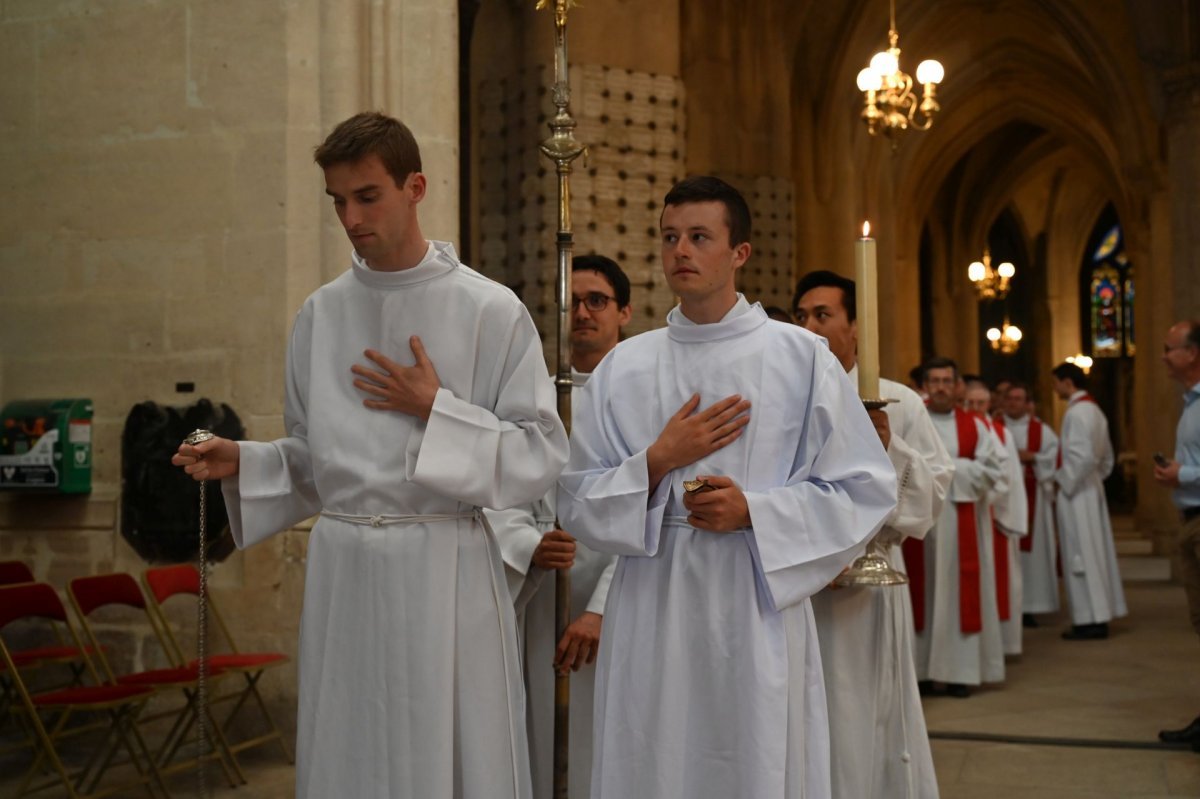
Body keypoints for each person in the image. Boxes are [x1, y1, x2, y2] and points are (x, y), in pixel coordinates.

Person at [173, 112, 569, 799]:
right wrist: (248, 460)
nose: (351, 217)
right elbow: (314, 457)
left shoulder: (489, 309)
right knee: (351, 743)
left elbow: (539, 455)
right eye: (338, 201)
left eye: (367, 196)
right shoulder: (319, 315)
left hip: (444, 567)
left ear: (415, 186)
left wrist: (436, 409)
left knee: (448, 751)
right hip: (348, 570)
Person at [557, 176, 897, 798]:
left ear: (739, 252)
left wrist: (755, 512)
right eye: (669, 238)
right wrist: (657, 462)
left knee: (750, 756)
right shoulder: (626, 367)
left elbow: (864, 488)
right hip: (652, 602)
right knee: (654, 753)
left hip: (751, 601)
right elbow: (576, 497)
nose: (679, 251)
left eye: (698, 237)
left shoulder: (801, 357)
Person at [793, 270, 953, 799]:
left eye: (823, 314)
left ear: (857, 326)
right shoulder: (787, 391)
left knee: (863, 711)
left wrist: (890, 448)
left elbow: (932, 499)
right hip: (799, 586)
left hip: (869, 583)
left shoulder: (897, 401)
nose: (810, 326)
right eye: (801, 315)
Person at [487, 254, 630, 799]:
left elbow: (655, 507)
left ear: (625, 312)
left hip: (620, 590)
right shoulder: (533, 397)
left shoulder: (641, 395)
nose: (582, 313)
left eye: (597, 301)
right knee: (544, 736)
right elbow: (501, 489)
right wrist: (528, 543)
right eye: (573, 302)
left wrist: (600, 609)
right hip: (544, 588)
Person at [911, 359, 1006, 698]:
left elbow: (993, 470)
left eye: (946, 381)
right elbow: (898, 459)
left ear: (957, 386)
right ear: (925, 385)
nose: (940, 387)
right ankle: (920, 671)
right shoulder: (911, 418)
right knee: (922, 593)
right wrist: (950, 469)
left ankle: (958, 672)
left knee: (956, 592)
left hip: (960, 520)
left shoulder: (976, 425)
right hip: (919, 522)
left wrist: (941, 470)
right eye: (934, 381)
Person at [1051, 361, 1127, 640]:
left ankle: (1089, 620)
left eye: (1056, 383)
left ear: (1067, 383)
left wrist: (1064, 481)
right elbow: (1107, 457)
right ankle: (1097, 615)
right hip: (1090, 487)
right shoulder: (1095, 410)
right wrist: (1097, 478)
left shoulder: (1078, 412)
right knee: (1094, 553)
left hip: (1077, 492)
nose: (1055, 389)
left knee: (1079, 554)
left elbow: (1081, 457)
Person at [1154, 321, 1200, 748]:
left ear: (1193, 353)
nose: (1164, 357)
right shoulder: (1190, 403)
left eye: (1170, 349)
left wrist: (1182, 472)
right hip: (1191, 518)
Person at [964, 380, 1027, 661]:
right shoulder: (964, 430)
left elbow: (1008, 478)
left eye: (980, 403)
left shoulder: (1000, 433)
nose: (975, 408)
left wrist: (983, 500)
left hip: (994, 515)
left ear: (989, 405)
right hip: (969, 513)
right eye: (970, 403)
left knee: (1000, 582)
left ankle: (1003, 645)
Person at [999, 382, 1060, 626]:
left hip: (1035, 498)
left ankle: (1031, 606)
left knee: (1032, 556)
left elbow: (1056, 458)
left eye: (1019, 398)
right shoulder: (993, 426)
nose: (1014, 403)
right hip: (1003, 499)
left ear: (1027, 403)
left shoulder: (1041, 431)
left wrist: (1033, 457)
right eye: (1010, 398)